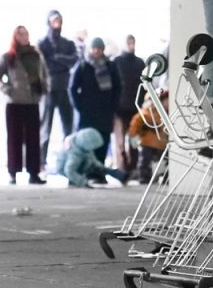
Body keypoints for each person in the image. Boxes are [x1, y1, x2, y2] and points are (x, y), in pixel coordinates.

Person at [0, 26, 48, 185]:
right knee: (14, 138)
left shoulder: (36, 55)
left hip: (32, 101)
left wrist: (43, 89)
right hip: (14, 102)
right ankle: (13, 171)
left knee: (33, 139)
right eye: (20, 34)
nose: (24, 37)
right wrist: (7, 89)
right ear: (15, 37)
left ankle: (34, 172)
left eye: (26, 34)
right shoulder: (9, 57)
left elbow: (44, 74)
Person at [68, 37, 121, 164]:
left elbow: (118, 87)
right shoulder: (82, 65)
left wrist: (113, 106)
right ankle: (85, 170)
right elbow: (72, 88)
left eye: (99, 48)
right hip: (87, 113)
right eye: (94, 48)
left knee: (103, 140)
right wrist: (79, 106)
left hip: (105, 112)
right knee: (85, 141)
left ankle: (99, 171)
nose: (96, 51)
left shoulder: (110, 66)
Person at [38, 10, 79, 168]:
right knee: (45, 128)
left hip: (64, 88)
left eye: (59, 20)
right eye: (54, 20)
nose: (57, 23)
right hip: (48, 90)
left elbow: (74, 60)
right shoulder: (42, 43)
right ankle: (41, 162)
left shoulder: (67, 44)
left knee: (68, 128)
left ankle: (69, 161)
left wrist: (57, 58)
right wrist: (60, 62)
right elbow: (43, 64)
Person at [112, 35, 146, 175]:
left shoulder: (140, 63)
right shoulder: (116, 62)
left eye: (133, 42)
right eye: (128, 42)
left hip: (135, 108)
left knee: (133, 140)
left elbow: (144, 85)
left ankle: (132, 168)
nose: (131, 45)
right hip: (119, 108)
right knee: (120, 141)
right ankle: (121, 168)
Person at [56, 128, 127, 188]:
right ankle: (74, 181)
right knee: (93, 167)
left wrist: (101, 167)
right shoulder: (74, 155)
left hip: (80, 163)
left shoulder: (81, 145)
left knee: (99, 167)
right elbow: (69, 170)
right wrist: (83, 183)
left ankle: (120, 175)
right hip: (69, 169)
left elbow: (92, 158)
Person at [127, 90, 169, 183]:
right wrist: (133, 136)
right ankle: (143, 178)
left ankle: (162, 177)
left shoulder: (163, 114)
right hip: (146, 143)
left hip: (161, 144)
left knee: (163, 162)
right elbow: (134, 125)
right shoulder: (144, 113)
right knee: (144, 161)